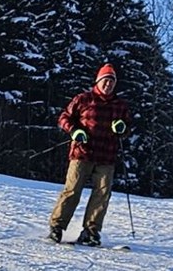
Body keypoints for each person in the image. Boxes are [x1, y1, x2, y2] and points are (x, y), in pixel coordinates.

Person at [48, 63, 131, 247]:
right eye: (105, 81)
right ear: (98, 81)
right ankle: (57, 227)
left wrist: (122, 128)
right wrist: (74, 131)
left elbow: (127, 128)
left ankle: (91, 231)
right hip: (82, 153)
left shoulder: (120, 105)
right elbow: (64, 118)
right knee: (72, 190)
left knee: (102, 194)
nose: (108, 85)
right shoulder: (83, 99)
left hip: (106, 156)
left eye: (111, 82)